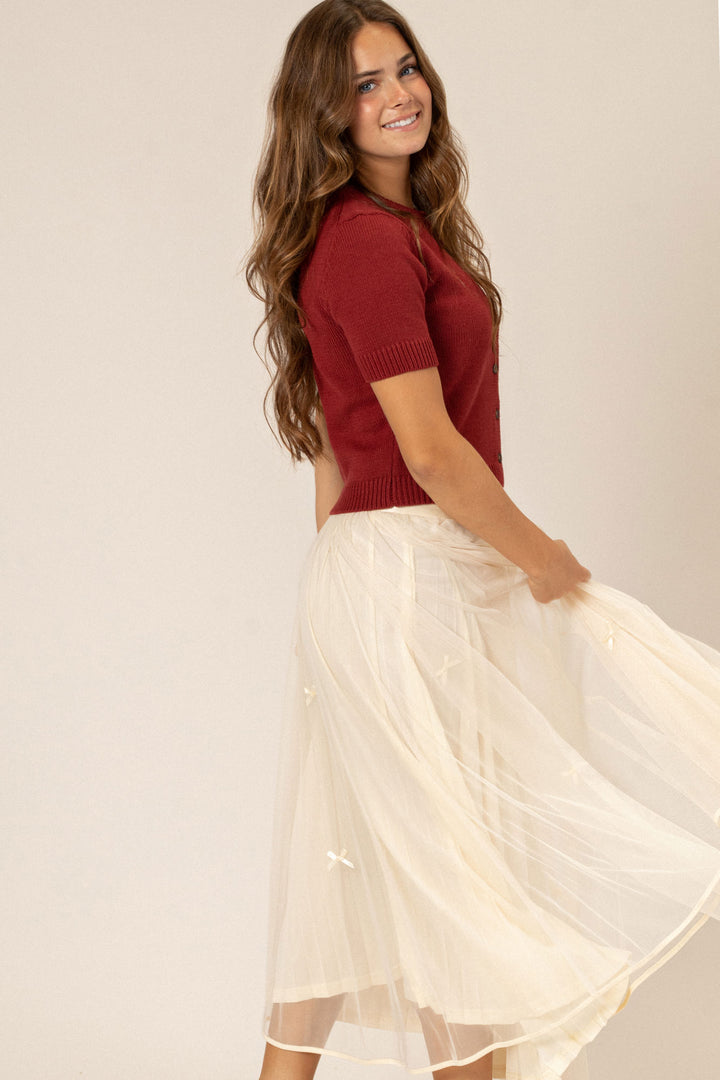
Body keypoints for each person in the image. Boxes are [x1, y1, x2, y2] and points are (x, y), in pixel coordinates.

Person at [245, 3, 720, 1078]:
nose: (399, 94)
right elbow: (431, 454)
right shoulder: (366, 243)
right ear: (326, 112)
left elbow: (336, 460)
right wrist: (543, 559)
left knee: (371, 887)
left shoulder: (390, 232)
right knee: (457, 905)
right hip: (409, 575)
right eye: (366, 83)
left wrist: (356, 592)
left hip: (393, 576)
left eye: (405, 68)